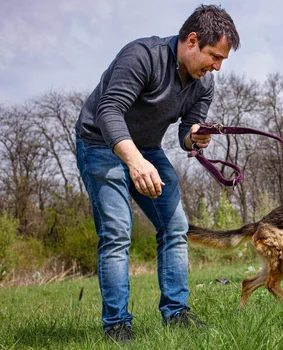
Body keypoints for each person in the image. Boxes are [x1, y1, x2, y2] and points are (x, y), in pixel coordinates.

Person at [75, 5, 240, 342]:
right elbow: (109, 110)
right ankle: (117, 326)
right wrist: (134, 161)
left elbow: (184, 134)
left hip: (146, 148)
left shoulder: (203, 83)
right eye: (214, 56)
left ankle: (177, 314)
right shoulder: (142, 57)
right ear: (191, 40)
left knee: (175, 225)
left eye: (222, 60)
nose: (217, 67)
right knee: (118, 231)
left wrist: (192, 137)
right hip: (98, 143)